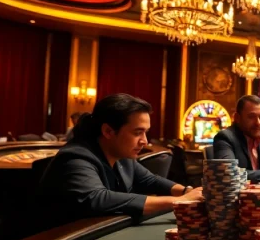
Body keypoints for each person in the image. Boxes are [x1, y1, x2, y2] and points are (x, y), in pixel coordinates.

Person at [39, 93, 204, 220]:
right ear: (108, 131)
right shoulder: (75, 158)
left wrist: (187, 190)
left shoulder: (122, 156)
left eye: (146, 132)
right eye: (137, 132)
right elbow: (98, 198)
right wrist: (179, 201)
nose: (144, 141)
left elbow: (150, 180)